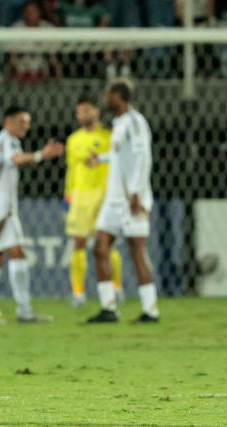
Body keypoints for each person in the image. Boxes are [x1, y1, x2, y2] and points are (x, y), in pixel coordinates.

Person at [0, 105, 64, 323]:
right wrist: (42, 154)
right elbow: (15, 159)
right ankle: (20, 311)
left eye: (28, 122)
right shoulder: (5, 141)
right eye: (22, 122)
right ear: (8, 121)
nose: (27, 126)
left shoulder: (0, 141)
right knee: (14, 254)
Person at [87, 79, 159, 324]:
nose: (105, 99)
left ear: (118, 96)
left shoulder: (136, 122)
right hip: (114, 199)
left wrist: (137, 192)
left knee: (136, 251)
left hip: (132, 198)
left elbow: (143, 158)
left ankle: (151, 310)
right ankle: (109, 308)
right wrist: (102, 158)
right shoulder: (119, 124)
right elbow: (122, 156)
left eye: (108, 94)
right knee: (99, 248)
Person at [64, 94, 123, 307]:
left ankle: (116, 289)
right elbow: (71, 169)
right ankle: (78, 293)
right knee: (78, 244)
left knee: (106, 245)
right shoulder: (73, 140)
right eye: (79, 111)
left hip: (104, 194)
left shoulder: (109, 137)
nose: (82, 115)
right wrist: (68, 193)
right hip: (80, 196)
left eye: (86, 110)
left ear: (96, 112)